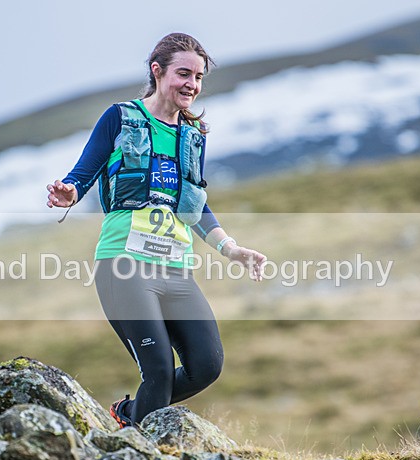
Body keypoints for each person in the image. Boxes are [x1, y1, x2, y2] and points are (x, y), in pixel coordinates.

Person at [46, 33, 266, 428]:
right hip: (125, 268)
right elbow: (86, 169)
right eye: (184, 73)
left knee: (205, 366)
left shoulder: (193, 136)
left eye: (199, 77)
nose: (192, 85)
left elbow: (194, 205)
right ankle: (138, 458)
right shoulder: (121, 117)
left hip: (176, 271)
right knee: (160, 370)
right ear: (157, 71)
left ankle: (127, 416)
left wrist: (230, 249)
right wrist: (70, 192)